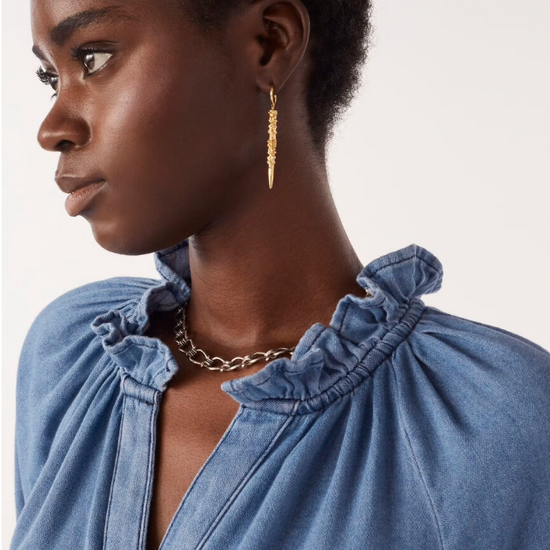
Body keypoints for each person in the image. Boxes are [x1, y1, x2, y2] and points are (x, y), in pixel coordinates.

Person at [12, 0, 550, 549]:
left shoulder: (488, 425)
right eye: (50, 78)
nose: (52, 128)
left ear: (267, 43)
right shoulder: (73, 358)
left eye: (94, 58)